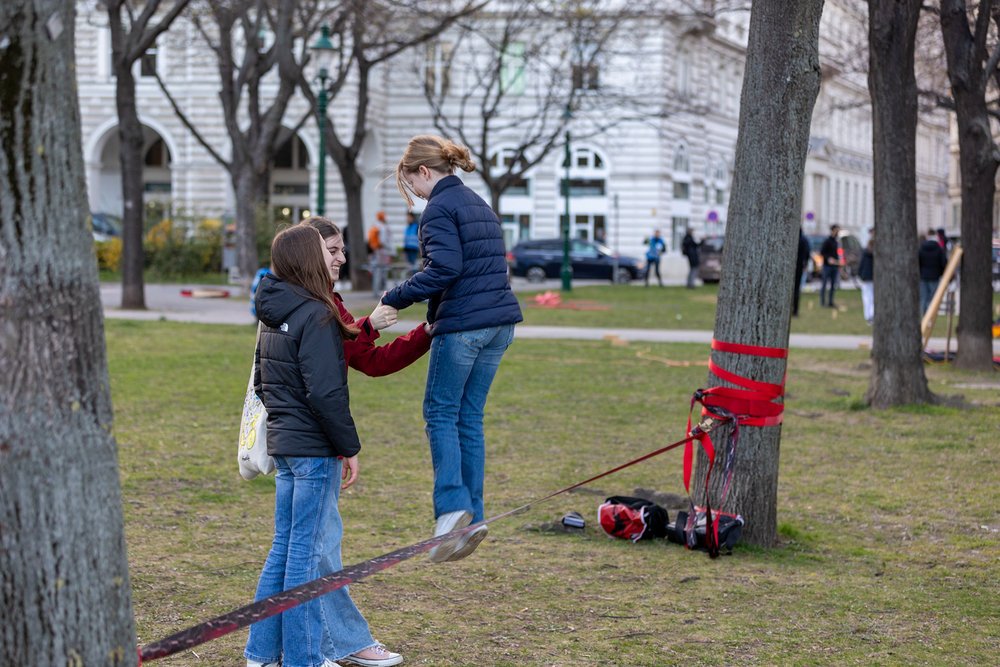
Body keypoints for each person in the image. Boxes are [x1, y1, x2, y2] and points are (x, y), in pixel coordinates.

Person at [246, 225, 402, 667]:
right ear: (306, 259)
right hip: (312, 450)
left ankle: (261, 653)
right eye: (326, 250)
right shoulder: (316, 313)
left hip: (286, 444)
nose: (337, 259)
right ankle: (304, 658)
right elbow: (326, 393)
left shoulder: (274, 310)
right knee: (304, 555)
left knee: (284, 547)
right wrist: (348, 447)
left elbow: (261, 381)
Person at [381, 135, 523, 564]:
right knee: (469, 417)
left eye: (411, 182)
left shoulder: (438, 209)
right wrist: (433, 316)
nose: (414, 192)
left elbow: (444, 269)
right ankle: (473, 517)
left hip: (465, 327)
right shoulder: (479, 204)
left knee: (440, 413)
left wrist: (394, 297)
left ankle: (450, 512)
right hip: (499, 325)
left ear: (424, 171)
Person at [301, 216, 431, 376]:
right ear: (309, 252)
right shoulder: (294, 298)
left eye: (342, 251)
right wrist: (369, 325)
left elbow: (374, 361)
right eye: (332, 251)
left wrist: (425, 333)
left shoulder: (332, 302)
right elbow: (324, 353)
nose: (342, 259)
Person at [918, 228, 948, 316]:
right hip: (935, 276)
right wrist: (941, 273)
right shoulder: (939, 249)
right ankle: (931, 316)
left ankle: (925, 315)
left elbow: (918, 262)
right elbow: (944, 263)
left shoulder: (922, 248)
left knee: (924, 298)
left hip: (923, 276)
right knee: (933, 298)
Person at [819, 224, 841, 308]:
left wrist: (838, 264)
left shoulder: (836, 242)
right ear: (832, 230)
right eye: (836, 230)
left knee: (833, 285)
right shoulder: (827, 241)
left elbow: (836, 254)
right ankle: (823, 302)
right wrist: (828, 258)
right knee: (824, 283)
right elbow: (822, 252)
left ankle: (831, 302)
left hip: (834, 266)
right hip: (827, 266)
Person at [792, 227, 810, 317]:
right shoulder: (803, 240)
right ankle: (795, 310)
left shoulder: (792, 240)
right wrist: (805, 263)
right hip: (799, 266)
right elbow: (807, 252)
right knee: (796, 289)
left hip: (792, 265)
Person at [858, 237, 874, 325]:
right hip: (872, 278)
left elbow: (861, 265)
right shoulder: (874, 255)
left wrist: (859, 274)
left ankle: (868, 315)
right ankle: (872, 314)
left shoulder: (865, 253)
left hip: (865, 278)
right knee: (872, 297)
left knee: (866, 297)